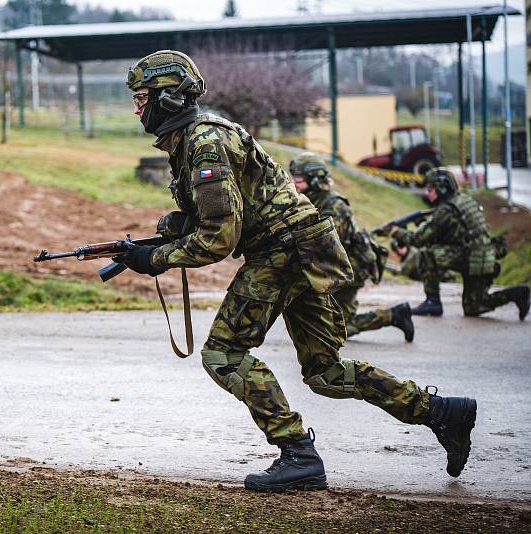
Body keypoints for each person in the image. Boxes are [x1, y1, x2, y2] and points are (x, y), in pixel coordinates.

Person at [115, 50, 478, 492]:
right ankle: (442, 413)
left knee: (223, 355)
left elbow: (219, 239)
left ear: (169, 98)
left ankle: (298, 454)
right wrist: (169, 232)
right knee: (324, 372)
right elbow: (228, 212)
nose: (137, 109)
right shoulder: (195, 138)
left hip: (283, 251)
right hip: (302, 247)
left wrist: (153, 260)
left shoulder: (205, 142)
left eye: (142, 98)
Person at [289, 152, 414, 342]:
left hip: (352, 266)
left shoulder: (335, 206)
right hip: (336, 265)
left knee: (339, 329)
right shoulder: (310, 200)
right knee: (327, 320)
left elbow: (324, 244)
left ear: (314, 181)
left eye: (298, 179)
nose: (293, 183)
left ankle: (394, 316)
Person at [380, 168, 529, 320]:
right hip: (485, 257)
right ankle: (517, 293)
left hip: (473, 258)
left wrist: (394, 231)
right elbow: (453, 233)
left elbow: (418, 240)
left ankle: (433, 302)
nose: (427, 193)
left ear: (442, 189)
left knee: (427, 254)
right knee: (474, 307)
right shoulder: (462, 199)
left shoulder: (446, 211)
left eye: (431, 189)